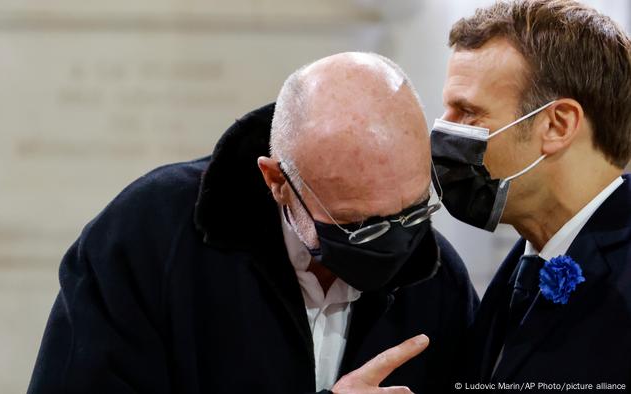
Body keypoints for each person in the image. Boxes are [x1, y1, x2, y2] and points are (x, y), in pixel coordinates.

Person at [29, 52, 478, 394]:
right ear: (277, 181)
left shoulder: (439, 283)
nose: (397, 244)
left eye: (414, 210)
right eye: (356, 224)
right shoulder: (146, 238)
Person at [431, 0, 631, 390]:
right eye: (447, 110)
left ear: (557, 125)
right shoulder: (521, 270)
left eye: (468, 112)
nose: (442, 131)